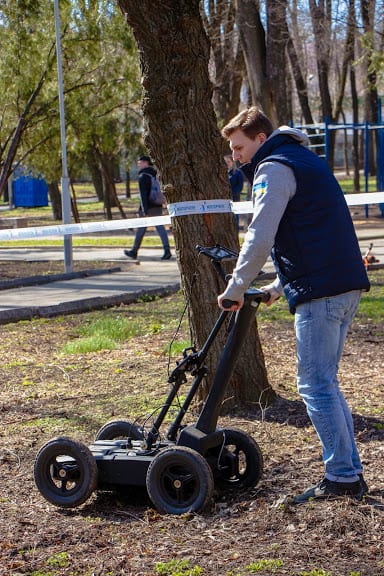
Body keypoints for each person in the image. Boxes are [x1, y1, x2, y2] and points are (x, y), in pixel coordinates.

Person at [218, 106, 370, 503]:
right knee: (326, 384)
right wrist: (277, 287)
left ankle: (341, 478)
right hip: (341, 284)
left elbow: (261, 235)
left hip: (323, 292)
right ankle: (348, 472)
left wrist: (236, 287)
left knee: (315, 385)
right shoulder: (304, 159)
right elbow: (310, 233)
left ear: (260, 140)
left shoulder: (273, 168)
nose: (235, 155)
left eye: (239, 147)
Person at [124, 155, 171, 260]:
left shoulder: (143, 176)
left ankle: (166, 250)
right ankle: (134, 251)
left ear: (146, 163)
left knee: (148, 228)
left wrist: (144, 210)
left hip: (148, 207)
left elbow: (143, 195)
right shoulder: (155, 174)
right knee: (151, 228)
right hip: (157, 204)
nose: (138, 165)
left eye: (140, 162)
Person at [224, 153, 244, 229]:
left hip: (235, 200)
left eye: (228, 162)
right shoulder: (221, 174)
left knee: (235, 220)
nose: (227, 164)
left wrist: (229, 193)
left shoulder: (238, 173)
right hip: (224, 201)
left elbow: (239, 188)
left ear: (233, 162)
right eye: (225, 162)